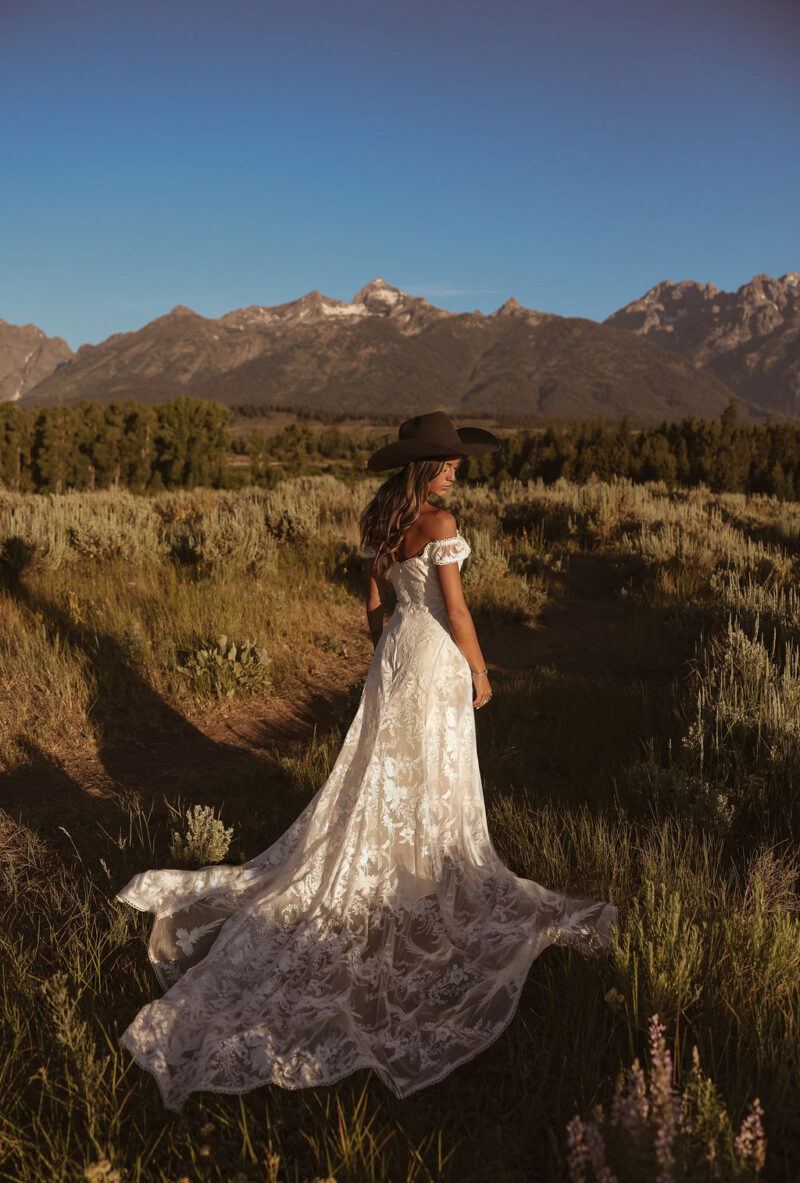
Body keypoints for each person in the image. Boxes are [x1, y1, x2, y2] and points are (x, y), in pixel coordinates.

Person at [116, 411, 616, 1111]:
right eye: (449, 461)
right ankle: (424, 878)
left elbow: (374, 612)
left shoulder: (379, 524)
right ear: (430, 466)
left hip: (393, 657)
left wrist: (388, 658)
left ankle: (406, 872)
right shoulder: (440, 526)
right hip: (434, 656)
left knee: (387, 769)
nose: (456, 469)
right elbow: (459, 612)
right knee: (431, 774)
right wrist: (478, 671)